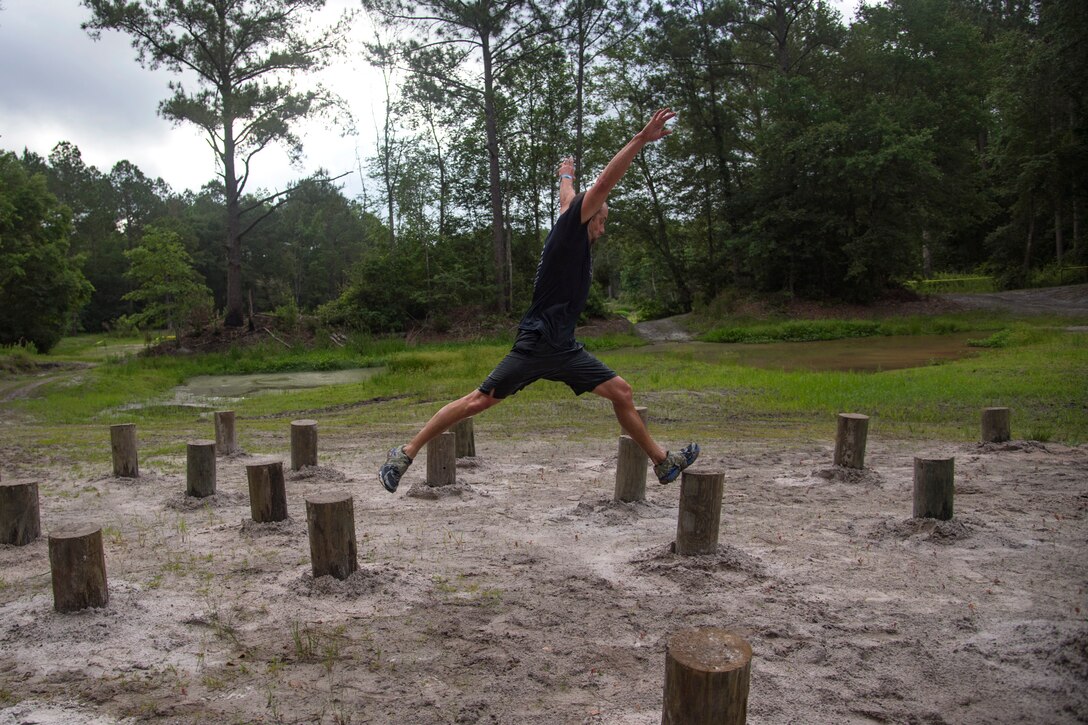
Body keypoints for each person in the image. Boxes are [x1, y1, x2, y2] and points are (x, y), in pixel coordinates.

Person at [379, 108, 699, 493]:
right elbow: (603, 184)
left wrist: (566, 173)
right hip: (536, 343)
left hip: (563, 349)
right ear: (591, 215)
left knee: (621, 392)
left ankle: (663, 462)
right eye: (602, 219)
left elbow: (567, 198)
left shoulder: (568, 225)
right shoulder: (573, 230)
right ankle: (404, 453)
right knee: (476, 401)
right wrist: (639, 140)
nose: (603, 227)